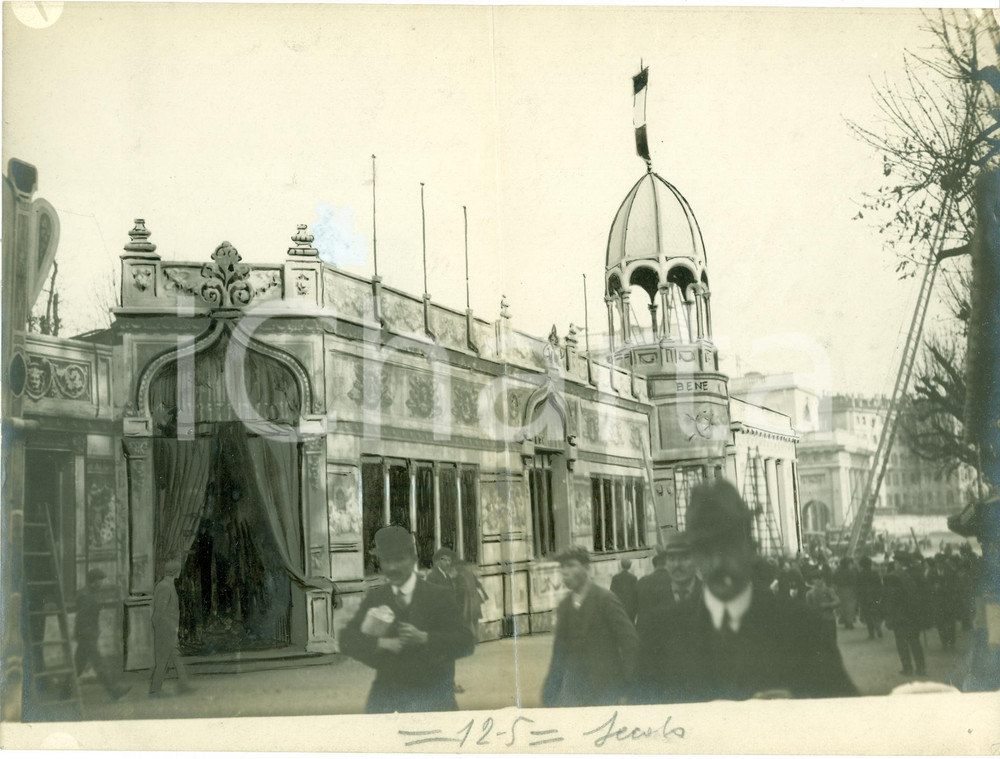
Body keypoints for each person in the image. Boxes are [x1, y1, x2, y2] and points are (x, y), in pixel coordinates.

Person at [636, 479, 857, 703]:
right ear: (695, 557)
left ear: (751, 550)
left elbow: (846, 716)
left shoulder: (801, 626)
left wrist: (797, 709)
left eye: (728, 547)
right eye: (706, 550)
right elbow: (641, 722)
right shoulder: (660, 633)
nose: (718, 563)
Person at [340, 526, 475, 713]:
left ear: (413, 559)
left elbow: (466, 641)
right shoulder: (377, 597)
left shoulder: (439, 595)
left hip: (433, 699)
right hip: (387, 700)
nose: (392, 567)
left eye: (399, 559)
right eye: (387, 561)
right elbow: (346, 640)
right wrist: (381, 643)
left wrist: (425, 638)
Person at [542, 546, 638, 708]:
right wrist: (550, 693)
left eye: (571, 565)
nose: (565, 572)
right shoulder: (565, 606)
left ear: (586, 568)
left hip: (606, 691)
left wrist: (627, 688)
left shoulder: (605, 599)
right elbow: (559, 652)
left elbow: (630, 643)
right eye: (562, 567)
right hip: (573, 693)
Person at [74, 569, 130, 701]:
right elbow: (82, 618)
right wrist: (90, 634)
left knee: (78, 665)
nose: (102, 583)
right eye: (100, 580)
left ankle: (64, 693)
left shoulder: (89, 593)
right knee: (99, 664)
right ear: (93, 581)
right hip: (87, 636)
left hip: (87, 635)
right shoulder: (86, 596)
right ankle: (114, 691)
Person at [149, 558, 193, 697]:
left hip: (169, 629)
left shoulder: (168, 585)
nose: (180, 572)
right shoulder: (165, 587)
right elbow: (160, 612)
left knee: (176, 657)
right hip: (166, 630)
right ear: (175, 572)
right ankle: (155, 689)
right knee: (162, 660)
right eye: (179, 570)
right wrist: (168, 630)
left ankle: (184, 685)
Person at [884, 552, 927, 677]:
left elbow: (891, 597)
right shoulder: (917, 574)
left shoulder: (894, 576)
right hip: (914, 614)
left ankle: (907, 668)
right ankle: (921, 668)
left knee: (901, 642)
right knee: (915, 641)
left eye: (896, 562)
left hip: (900, 615)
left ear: (899, 563)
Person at [635, 549, 672, 629]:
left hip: (645, 629)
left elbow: (635, 606)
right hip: (667, 629)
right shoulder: (674, 581)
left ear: (654, 565)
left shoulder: (642, 581)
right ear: (667, 563)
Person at [805, 575, 840, 649]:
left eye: (819, 579)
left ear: (823, 580)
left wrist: (828, 605)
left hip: (828, 619)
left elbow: (837, 601)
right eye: (815, 579)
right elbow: (807, 606)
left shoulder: (829, 590)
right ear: (812, 581)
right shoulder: (809, 593)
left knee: (832, 642)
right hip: (816, 620)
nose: (817, 581)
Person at [856, 556, 884, 639]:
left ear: (862, 565)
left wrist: (859, 597)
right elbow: (879, 585)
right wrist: (879, 595)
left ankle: (871, 633)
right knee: (875, 613)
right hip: (874, 597)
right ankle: (878, 627)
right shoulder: (874, 573)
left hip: (864, 598)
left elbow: (858, 587)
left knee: (867, 616)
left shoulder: (860, 575)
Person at [609, 558, 639, 623]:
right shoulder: (633, 578)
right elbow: (636, 593)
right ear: (630, 566)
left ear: (621, 565)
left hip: (619, 607)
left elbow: (612, 592)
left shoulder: (615, 578)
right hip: (631, 608)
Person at [833, 557, 858, 630]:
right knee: (850, 606)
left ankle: (845, 622)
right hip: (849, 590)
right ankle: (850, 622)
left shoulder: (837, 571)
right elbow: (854, 580)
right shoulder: (849, 571)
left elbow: (834, 579)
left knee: (842, 606)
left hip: (840, 590)